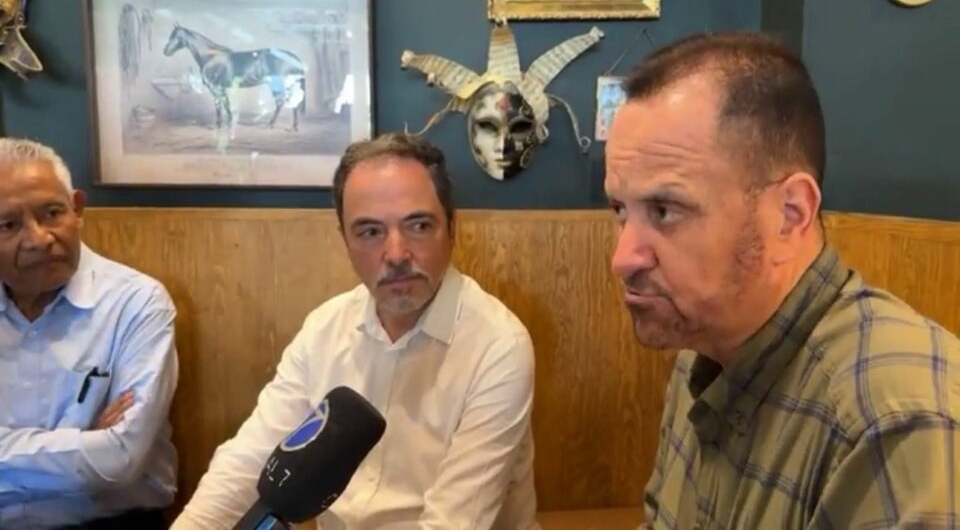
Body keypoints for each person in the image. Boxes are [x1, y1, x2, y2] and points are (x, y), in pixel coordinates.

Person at [604, 32, 960, 528]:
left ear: (790, 214)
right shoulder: (700, 354)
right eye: (620, 210)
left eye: (664, 210)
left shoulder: (896, 422)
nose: (623, 258)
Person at [173, 133, 538, 529]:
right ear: (345, 240)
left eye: (418, 225)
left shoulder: (498, 345)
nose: (396, 254)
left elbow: (452, 523)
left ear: (452, 229)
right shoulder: (324, 328)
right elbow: (248, 464)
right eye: (370, 232)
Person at [0, 138, 179, 528]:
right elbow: (98, 458)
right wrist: (81, 441)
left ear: (77, 208)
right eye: (9, 225)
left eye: (52, 213)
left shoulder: (136, 303)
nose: (39, 239)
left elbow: (119, 460)